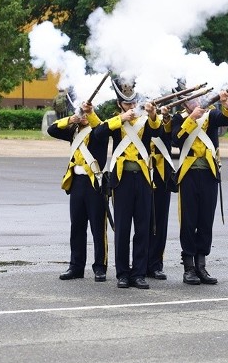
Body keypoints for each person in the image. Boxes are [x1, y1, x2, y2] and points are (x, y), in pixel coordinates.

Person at [91, 77, 160, 289]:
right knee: (122, 229)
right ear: (120, 105)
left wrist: (152, 114)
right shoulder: (116, 121)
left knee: (142, 228)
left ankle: (138, 273)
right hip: (121, 181)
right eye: (127, 104)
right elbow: (98, 134)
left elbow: (156, 132)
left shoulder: (144, 120)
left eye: (133, 103)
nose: (131, 106)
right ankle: (122, 273)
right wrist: (121, 119)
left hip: (143, 179)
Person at [171, 89, 228, 285]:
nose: (197, 101)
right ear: (185, 103)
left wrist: (225, 103)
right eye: (192, 99)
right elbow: (176, 139)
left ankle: (201, 265)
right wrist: (192, 118)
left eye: (198, 97)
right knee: (189, 222)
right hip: (188, 174)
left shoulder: (211, 114)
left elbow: (227, 119)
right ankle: (188, 267)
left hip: (209, 173)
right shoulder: (179, 118)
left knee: (205, 221)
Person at [46, 99, 109, 282]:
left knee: (98, 228)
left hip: (95, 182)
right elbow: (52, 130)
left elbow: (101, 129)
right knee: (77, 227)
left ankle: (100, 267)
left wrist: (89, 113)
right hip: (77, 183)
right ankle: (76, 266)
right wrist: (72, 119)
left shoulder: (100, 129)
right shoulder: (74, 131)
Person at [147, 104, 176, 281]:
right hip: (141, 172)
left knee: (160, 221)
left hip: (161, 174)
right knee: (142, 222)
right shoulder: (137, 120)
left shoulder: (166, 120)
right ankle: (140, 262)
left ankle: (156, 264)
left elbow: (172, 138)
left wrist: (165, 117)